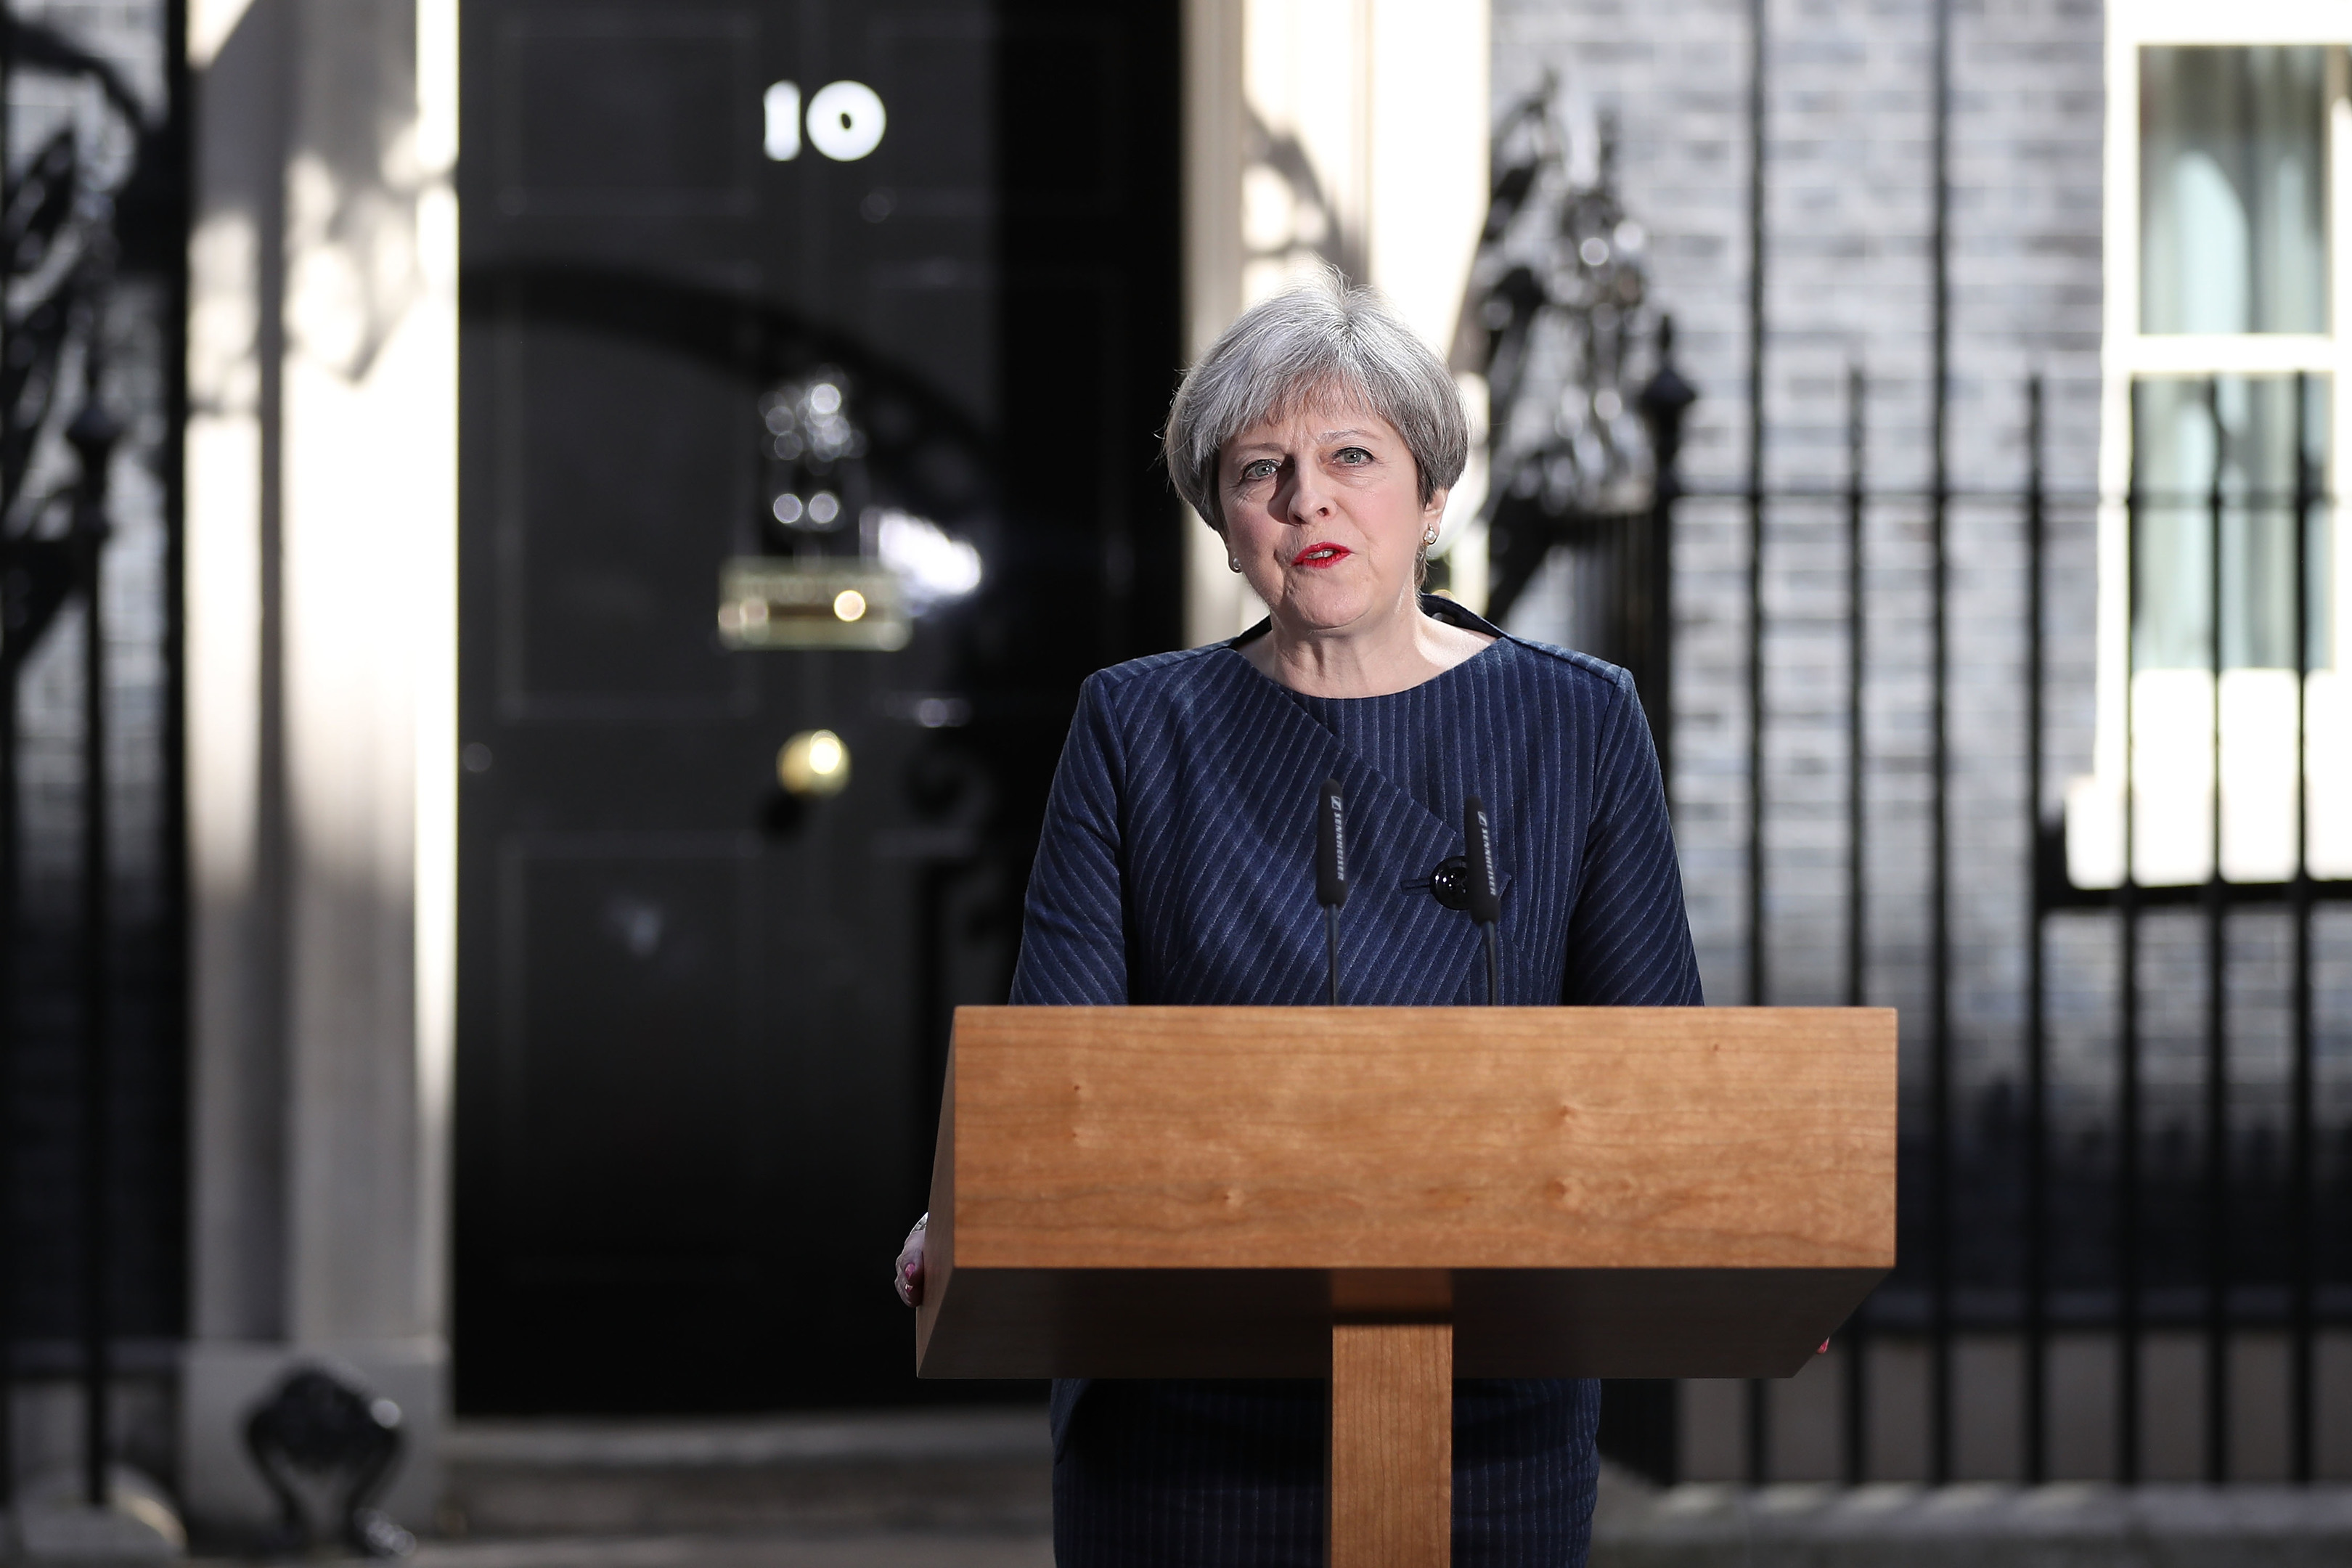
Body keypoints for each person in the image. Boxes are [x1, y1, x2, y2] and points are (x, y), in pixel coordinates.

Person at [893, 267, 1702, 1565]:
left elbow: (1659, 1066)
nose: (1306, 497)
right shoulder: (1136, 727)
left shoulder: (1579, 721)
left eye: (1350, 456)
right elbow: (1062, 1059)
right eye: (1258, 467)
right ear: (1221, 521)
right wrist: (978, 1200)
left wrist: (1746, 1237)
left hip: (1483, 1426)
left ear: (1431, 496)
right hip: (1180, 1421)